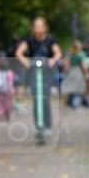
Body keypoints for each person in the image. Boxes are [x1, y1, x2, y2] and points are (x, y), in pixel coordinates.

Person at [15, 15, 63, 144]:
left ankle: (47, 127)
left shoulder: (50, 40)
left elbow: (58, 53)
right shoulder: (30, 40)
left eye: (40, 25)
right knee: (37, 99)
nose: (38, 28)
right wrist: (25, 61)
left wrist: (53, 60)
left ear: (45, 27)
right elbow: (19, 52)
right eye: (36, 26)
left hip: (47, 73)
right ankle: (38, 127)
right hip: (34, 72)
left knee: (45, 98)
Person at [0, 54, 17, 121]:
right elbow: (14, 81)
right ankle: (8, 115)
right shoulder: (10, 73)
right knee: (8, 103)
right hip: (9, 91)